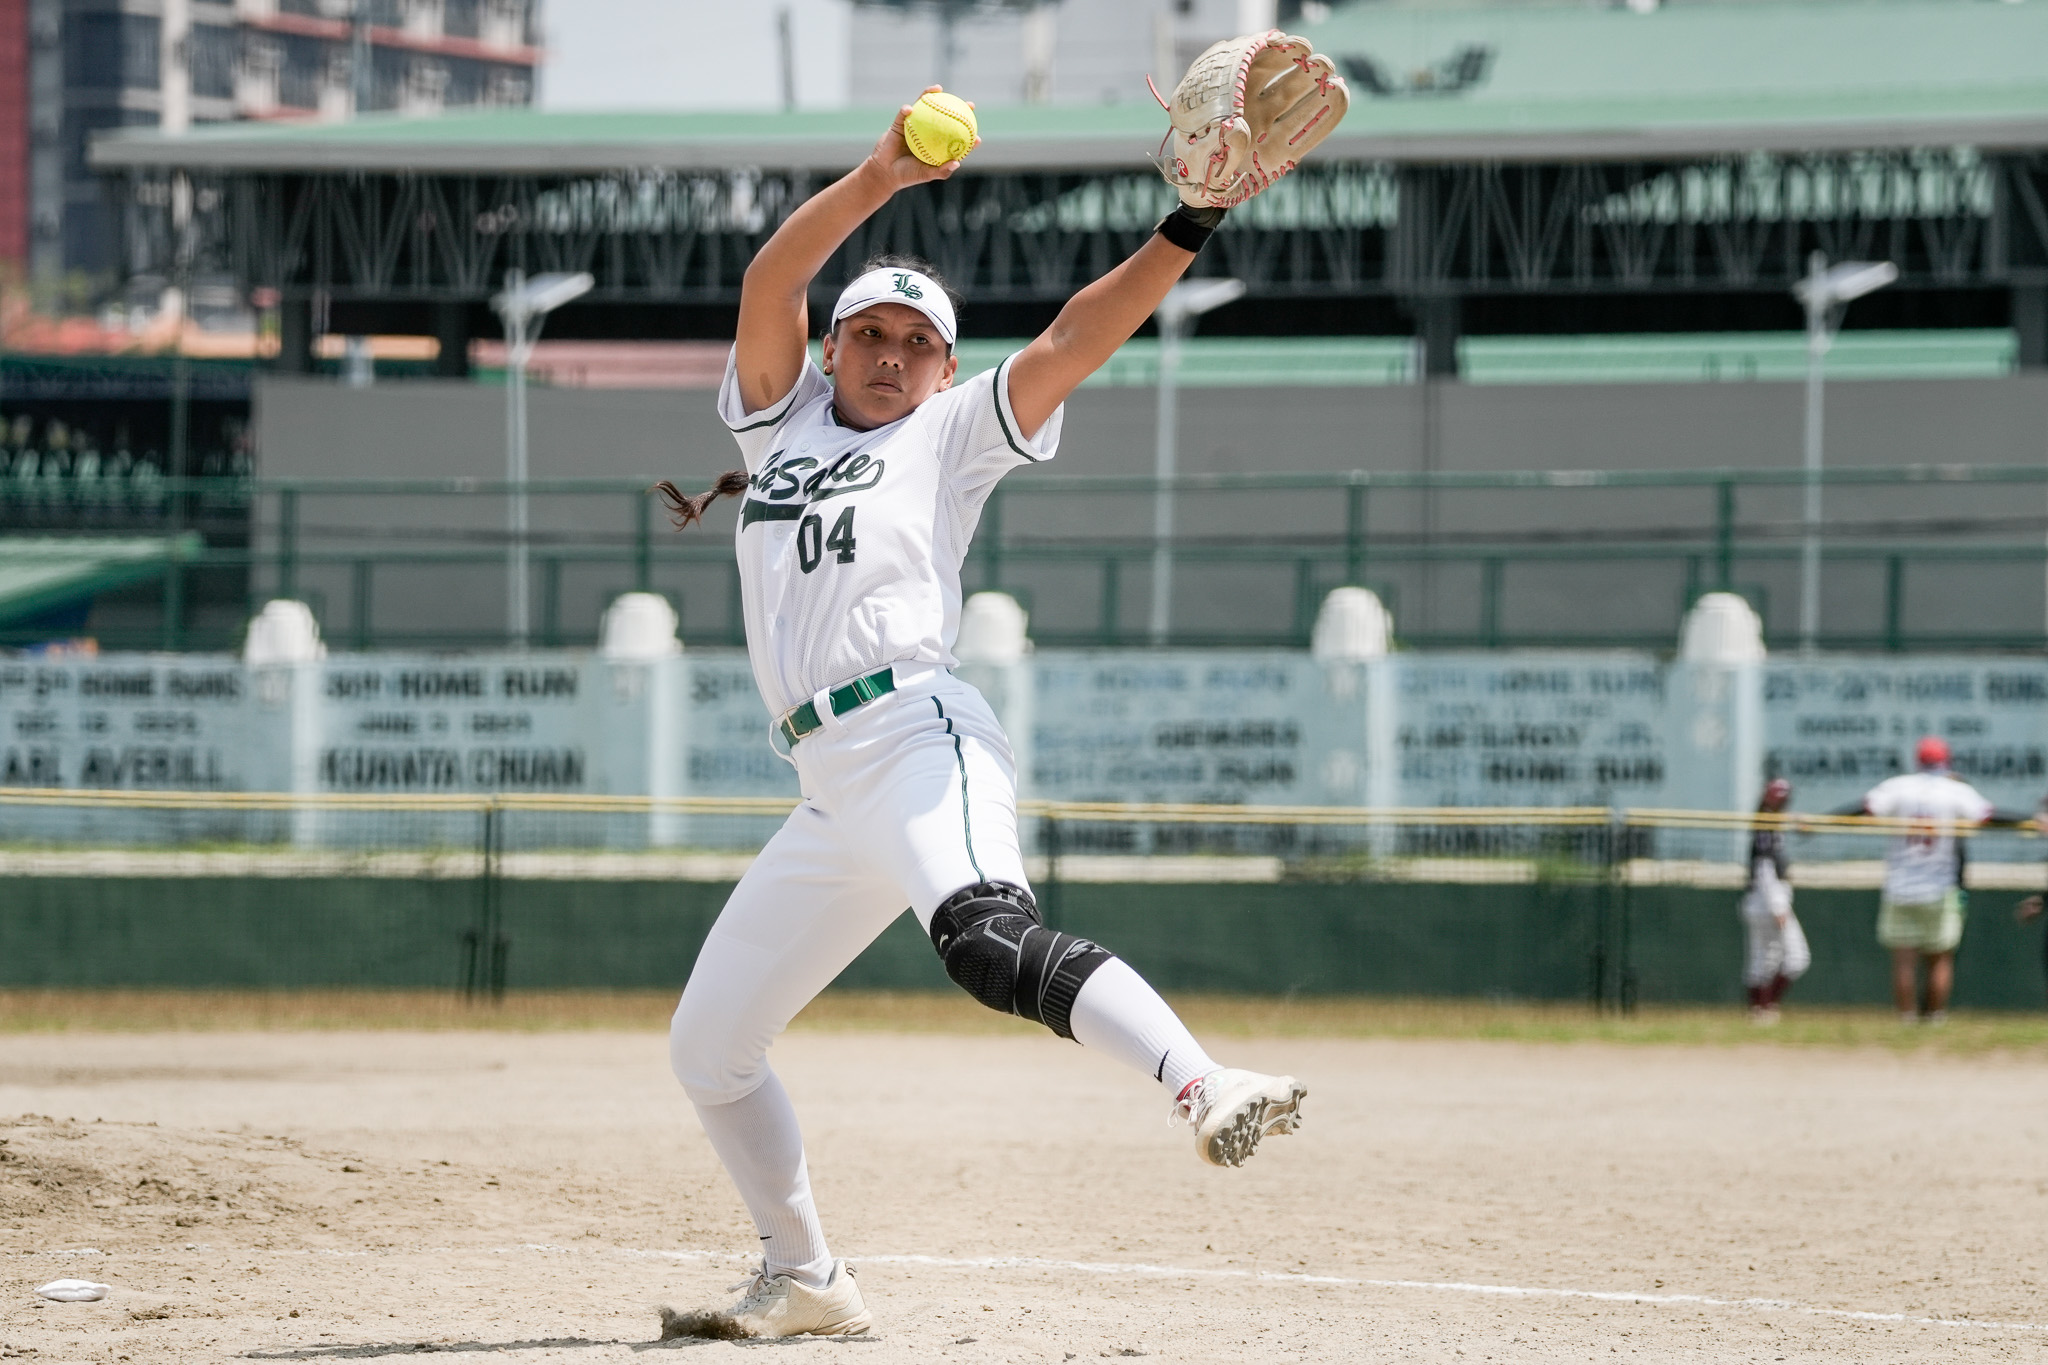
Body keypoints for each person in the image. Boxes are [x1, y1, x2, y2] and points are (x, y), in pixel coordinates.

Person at [654, 92, 1306, 1340]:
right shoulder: (776, 419)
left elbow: (1072, 335)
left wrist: (1188, 222)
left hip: (913, 734)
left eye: (917, 341)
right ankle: (804, 1278)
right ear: (830, 349)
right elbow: (770, 272)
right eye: (869, 334)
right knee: (709, 1049)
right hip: (827, 787)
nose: (890, 355)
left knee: (985, 942)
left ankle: (1206, 1084)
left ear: (946, 368)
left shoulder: (952, 433)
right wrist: (878, 176)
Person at [1858, 737, 1994, 1024]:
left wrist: (1817, 820)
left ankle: (1907, 1017)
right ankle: (1935, 1017)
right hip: (1939, 885)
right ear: (1946, 761)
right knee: (1939, 958)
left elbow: (1866, 807)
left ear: (1918, 759)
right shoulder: (1955, 789)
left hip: (1900, 886)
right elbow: (1988, 815)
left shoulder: (1900, 786)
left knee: (1904, 960)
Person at [1740, 778, 1809, 1023]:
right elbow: (1764, 865)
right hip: (1769, 898)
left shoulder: (1768, 819)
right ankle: (1766, 1007)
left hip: (1760, 898)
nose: (1784, 802)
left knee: (1763, 958)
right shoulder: (1766, 822)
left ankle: (1758, 1010)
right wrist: (1778, 905)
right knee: (1796, 956)